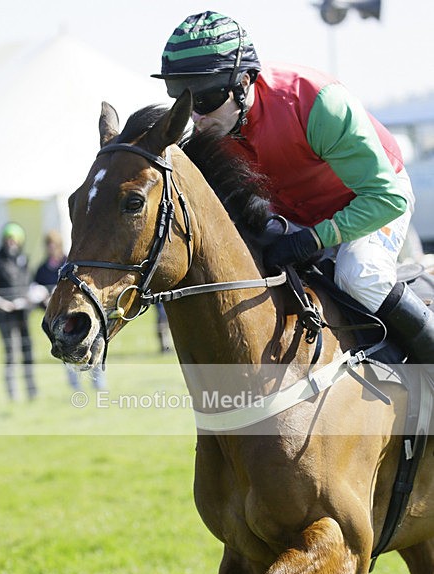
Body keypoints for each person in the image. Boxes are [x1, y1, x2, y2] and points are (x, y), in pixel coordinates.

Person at [152, 11, 434, 364]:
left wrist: (312, 239)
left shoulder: (318, 103)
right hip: (300, 213)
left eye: (204, 100)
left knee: (360, 275)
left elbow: (386, 198)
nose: (195, 116)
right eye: (182, 99)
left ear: (243, 83)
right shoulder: (216, 129)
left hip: (373, 199)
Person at [33, 229, 107, 392]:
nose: (51, 247)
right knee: (67, 351)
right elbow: (35, 291)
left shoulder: (69, 264)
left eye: (53, 244)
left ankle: (99, 384)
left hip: (79, 315)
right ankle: (76, 387)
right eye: (48, 244)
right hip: (61, 320)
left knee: (92, 345)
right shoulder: (42, 269)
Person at [0, 222, 37, 400]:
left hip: (23, 312)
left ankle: (32, 391)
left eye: (14, 239)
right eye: (8, 238)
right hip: (4, 314)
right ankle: (12, 394)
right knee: (11, 352)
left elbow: (27, 284)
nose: (11, 242)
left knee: (28, 350)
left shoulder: (23, 260)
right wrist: (3, 303)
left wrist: (28, 299)